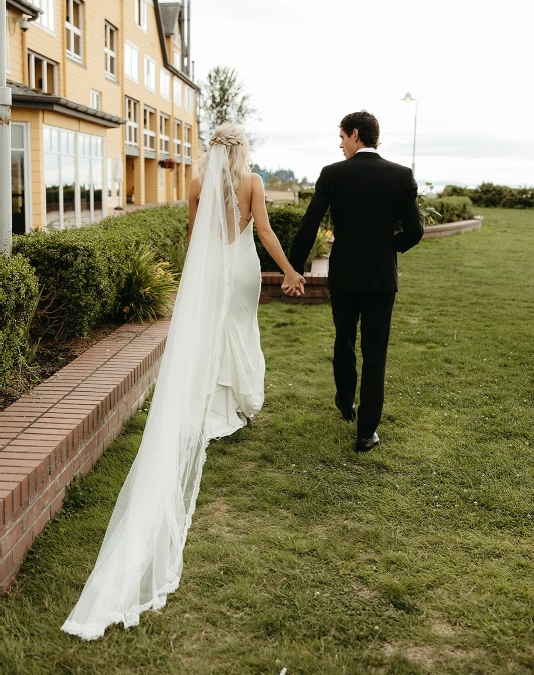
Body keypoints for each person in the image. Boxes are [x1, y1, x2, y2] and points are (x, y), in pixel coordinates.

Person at [61, 123, 304, 640]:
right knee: (239, 331)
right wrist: (287, 269)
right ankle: (238, 401)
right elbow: (264, 232)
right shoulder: (254, 182)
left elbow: (193, 235)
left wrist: (195, 280)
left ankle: (218, 402)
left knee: (212, 335)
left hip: (211, 266)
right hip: (240, 269)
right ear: (240, 150)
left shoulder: (195, 185)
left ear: (212, 150)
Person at [287, 111, 424, 452]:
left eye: (343, 138)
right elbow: (415, 231)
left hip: (344, 275)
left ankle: (346, 403)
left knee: (344, 339)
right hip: (380, 278)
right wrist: (389, 246)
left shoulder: (333, 174)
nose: (340, 144)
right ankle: (366, 433)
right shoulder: (401, 175)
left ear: (356, 134)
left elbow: (309, 226)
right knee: (375, 354)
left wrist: (295, 268)